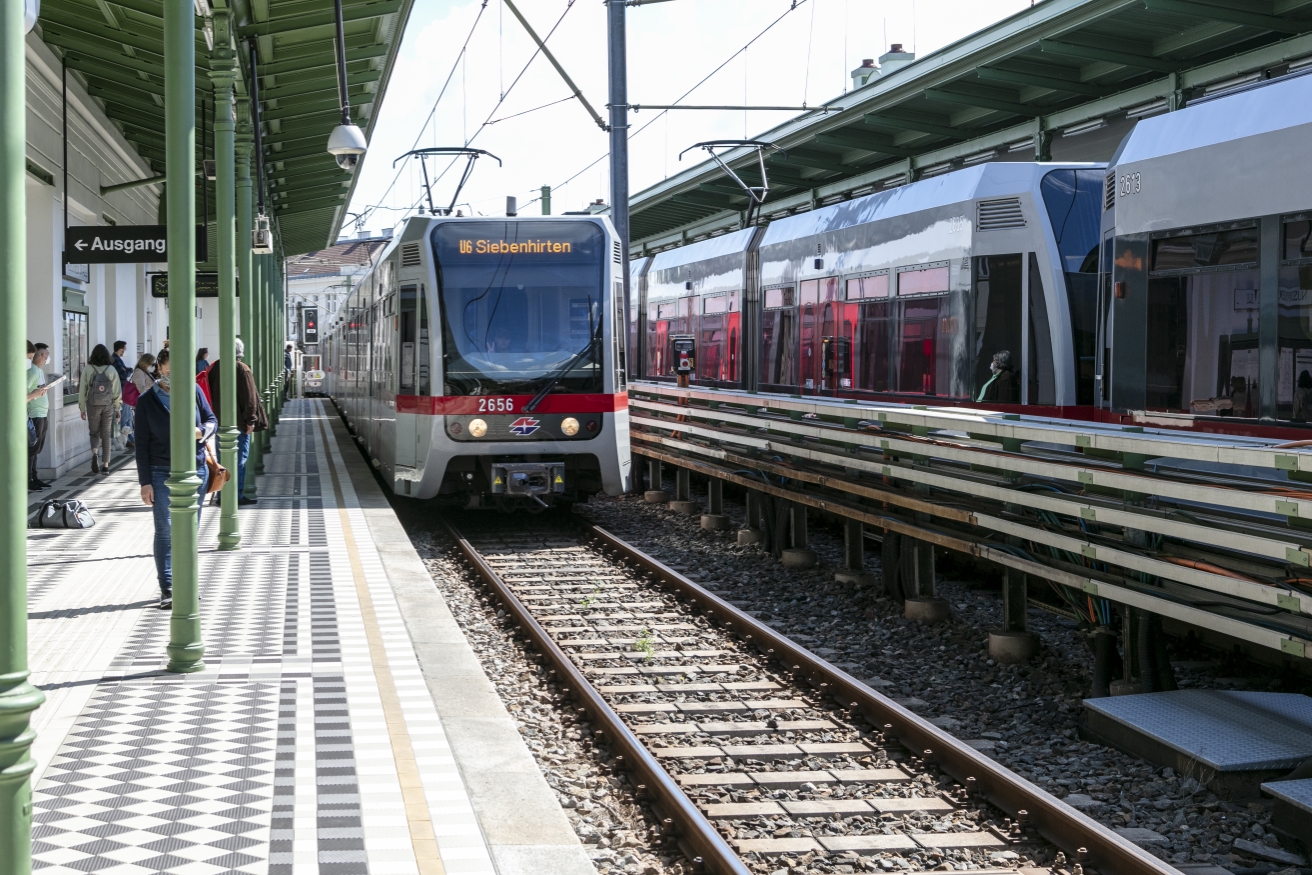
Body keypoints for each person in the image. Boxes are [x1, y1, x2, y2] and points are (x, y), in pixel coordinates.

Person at [135, 348, 216, 609]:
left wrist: (201, 432)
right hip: (160, 471)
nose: (174, 377)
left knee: (190, 531)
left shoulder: (192, 390)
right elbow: (141, 445)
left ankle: (188, 583)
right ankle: (168, 587)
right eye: (169, 371)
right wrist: (144, 481)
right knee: (166, 530)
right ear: (159, 368)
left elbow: (212, 419)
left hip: (196, 468)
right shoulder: (147, 401)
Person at [207, 338, 268, 506]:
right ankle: (235, 495)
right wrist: (251, 420)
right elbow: (250, 398)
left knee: (223, 460)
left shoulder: (214, 367)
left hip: (219, 421)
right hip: (239, 423)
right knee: (239, 459)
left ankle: (222, 495)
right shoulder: (242, 368)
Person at [78, 343, 122, 475]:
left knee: (94, 433)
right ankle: (106, 466)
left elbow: (82, 390)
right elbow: (117, 391)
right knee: (106, 434)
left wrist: (82, 408)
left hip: (92, 405)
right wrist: (118, 408)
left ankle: (95, 453)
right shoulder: (111, 370)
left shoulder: (88, 369)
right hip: (108, 405)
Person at [26, 341, 51, 491]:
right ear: (42, 355)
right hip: (35, 414)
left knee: (36, 450)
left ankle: (34, 477)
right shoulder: (33, 371)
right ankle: (29, 479)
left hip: (42, 413)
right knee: (32, 449)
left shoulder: (39, 371)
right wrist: (35, 394)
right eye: (47, 355)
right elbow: (24, 393)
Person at [112, 341, 134, 448]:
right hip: (121, 392)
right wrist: (130, 370)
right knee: (126, 416)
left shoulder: (117, 360)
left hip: (121, 391)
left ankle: (129, 438)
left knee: (127, 415)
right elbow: (124, 374)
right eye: (125, 349)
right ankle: (128, 439)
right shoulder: (116, 360)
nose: (125, 351)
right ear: (121, 349)